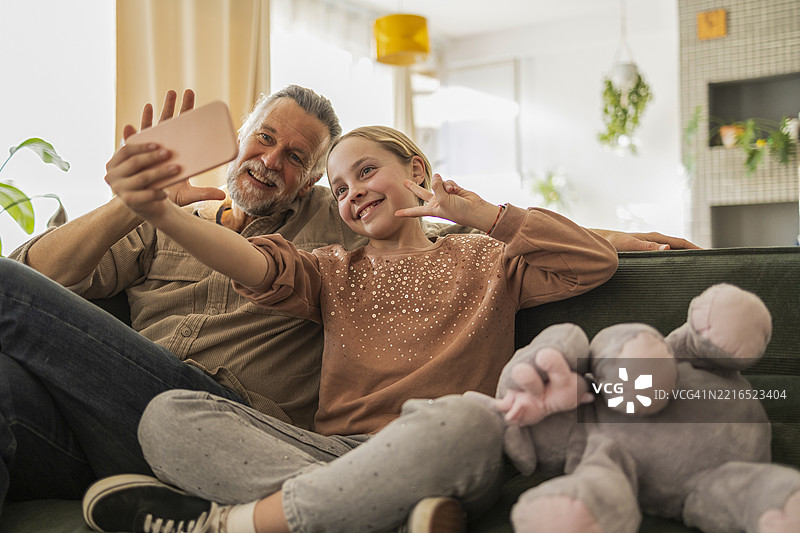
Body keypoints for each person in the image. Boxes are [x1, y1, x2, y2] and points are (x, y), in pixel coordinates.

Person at [1, 84, 695, 514]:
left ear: (313, 184)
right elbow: (38, 274)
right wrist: (140, 206)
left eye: (299, 158)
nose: (274, 160)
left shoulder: (335, 226)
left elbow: (432, 221)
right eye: (265, 138)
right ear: (239, 140)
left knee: (169, 407)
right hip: (110, 418)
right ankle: (372, 493)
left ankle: (329, 496)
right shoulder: (161, 226)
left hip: (231, 418)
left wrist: (628, 233)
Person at [81, 125, 618, 533]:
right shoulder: (331, 268)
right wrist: (162, 214)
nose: (352, 192)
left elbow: (593, 262)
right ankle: (382, 509)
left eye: (365, 172)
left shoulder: (488, 259)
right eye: (338, 188)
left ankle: (235, 524)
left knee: (472, 422)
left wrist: (485, 216)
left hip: (442, 447)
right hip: (330, 453)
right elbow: (252, 264)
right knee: (169, 415)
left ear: (418, 171)